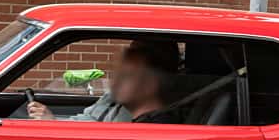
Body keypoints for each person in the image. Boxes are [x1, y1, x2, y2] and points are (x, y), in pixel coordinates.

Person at [24, 40, 179, 122]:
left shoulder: (152, 125)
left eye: (127, 74)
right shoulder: (116, 100)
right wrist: (54, 122)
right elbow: (90, 119)